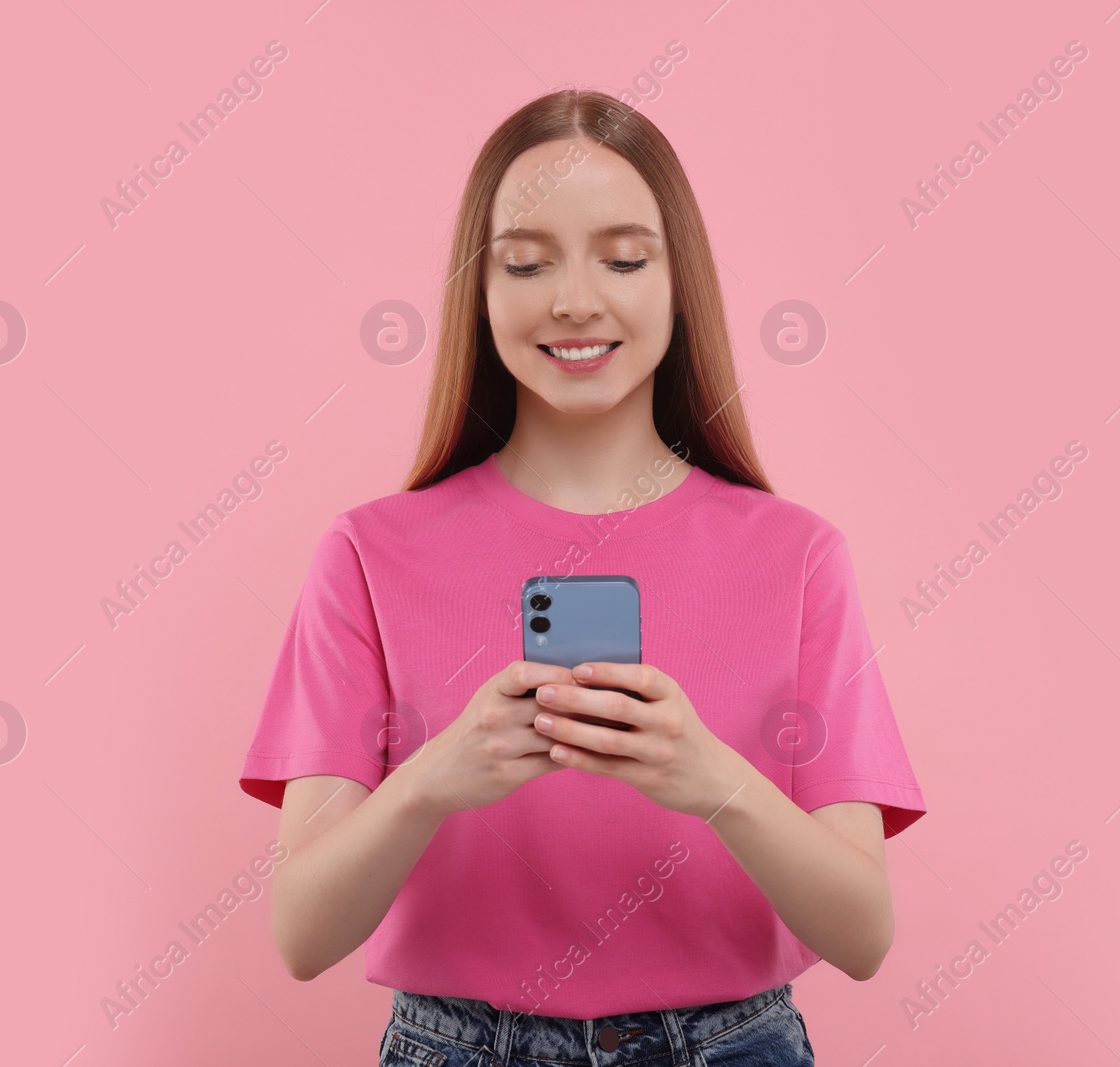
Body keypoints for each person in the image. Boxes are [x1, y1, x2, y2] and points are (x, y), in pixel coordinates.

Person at [239, 88, 927, 1066]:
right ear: (479, 290)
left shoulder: (799, 555)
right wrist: (436, 778)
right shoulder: (366, 554)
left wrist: (711, 778)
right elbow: (301, 932)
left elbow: (863, 931)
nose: (573, 298)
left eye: (623, 257)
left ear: (678, 282)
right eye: (526, 262)